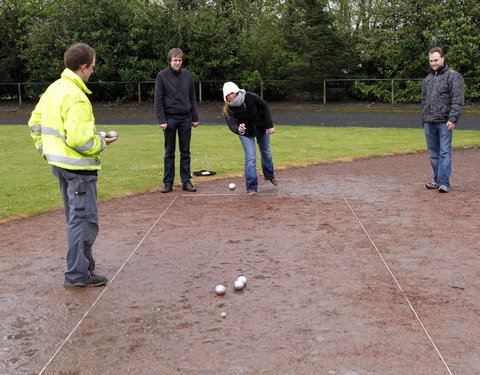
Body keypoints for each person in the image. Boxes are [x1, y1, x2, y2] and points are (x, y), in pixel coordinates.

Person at [28, 43, 117, 287]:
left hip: (61, 166)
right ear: (83, 67)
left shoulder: (55, 88)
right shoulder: (76, 96)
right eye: (93, 67)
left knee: (76, 217)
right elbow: (80, 140)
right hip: (78, 170)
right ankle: (77, 274)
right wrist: (102, 142)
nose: (93, 72)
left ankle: (84, 264)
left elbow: (34, 122)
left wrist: (46, 151)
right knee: (84, 221)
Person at [154, 48, 199, 193]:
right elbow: (158, 100)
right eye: (175, 60)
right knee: (169, 153)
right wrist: (162, 119)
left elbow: (192, 98)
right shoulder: (162, 76)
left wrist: (195, 117)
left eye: (180, 60)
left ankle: (186, 181)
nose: (178, 63)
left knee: (185, 152)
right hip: (170, 119)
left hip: (186, 118)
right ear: (170, 60)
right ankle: (168, 183)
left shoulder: (187, 75)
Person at [222, 81, 278, 195]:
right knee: (250, 157)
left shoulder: (250, 96)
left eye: (232, 93)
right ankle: (251, 187)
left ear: (236, 92)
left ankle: (269, 175)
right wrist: (238, 129)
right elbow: (231, 124)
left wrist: (269, 125)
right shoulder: (228, 108)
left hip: (261, 127)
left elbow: (264, 107)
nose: (230, 96)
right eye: (228, 95)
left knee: (266, 152)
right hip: (246, 133)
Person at [421, 47, 464, 193]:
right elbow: (424, 100)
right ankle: (437, 179)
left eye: (436, 60)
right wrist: (424, 117)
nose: (433, 63)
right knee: (433, 153)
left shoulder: (453, 76)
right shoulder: (427, 79)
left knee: (445, 152)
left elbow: (457, 99)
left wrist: (453, 118)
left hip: (444, 121)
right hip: (429, 121)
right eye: (431, 60)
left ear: (443, 59)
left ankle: (444, 182)